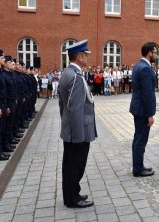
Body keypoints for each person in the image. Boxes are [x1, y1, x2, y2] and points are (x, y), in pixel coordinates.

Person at [58, 39, 97, 208]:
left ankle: (72, 193)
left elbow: (63, 106)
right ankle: (73, 198)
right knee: (75, 165)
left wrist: (66, 124)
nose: (88, 58)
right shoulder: (75, 77)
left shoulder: (67, 73)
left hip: (72, 129)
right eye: (86, 55)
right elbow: (75, 109)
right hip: (78, 132)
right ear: (80, 57)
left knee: (70, 164)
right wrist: (78, 136)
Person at [129, 42, 157, 177]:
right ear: (149, 53)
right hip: (142, 110)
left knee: (138, 138)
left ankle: (138, 166)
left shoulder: (138, 65)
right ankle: (138, 169)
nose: (156, 55)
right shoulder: (145, 68)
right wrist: (150, 114)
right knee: (141, 139)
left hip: (137, 108)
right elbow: (147, 94)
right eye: (155, 52)